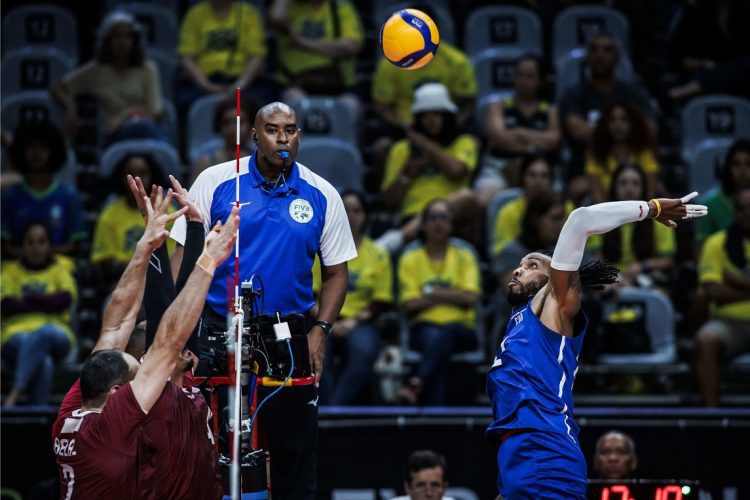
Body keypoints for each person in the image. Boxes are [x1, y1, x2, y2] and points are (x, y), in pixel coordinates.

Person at [169, 101, 356, 499]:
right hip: (216, 325)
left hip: (288, 331)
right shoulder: (216, 181)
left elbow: (337, 274)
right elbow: (182, 257)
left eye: (291, 129)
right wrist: (174, 329)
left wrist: (319, 333)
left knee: (294, 450)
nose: (283, 138)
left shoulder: (322, 193)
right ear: (254, 135)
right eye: (272, 129)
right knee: (205, 445)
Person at [486, 191, 706, 498]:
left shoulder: (554, 302)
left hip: (543, 449)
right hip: (518, 453)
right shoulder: (519, 321)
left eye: (533, 264)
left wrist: (651, 208)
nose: (519, 269)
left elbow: (580, 220)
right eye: (522, 264)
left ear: (556, 279)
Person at [52, 188, 234, 499]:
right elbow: (167, 345)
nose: (150, 372)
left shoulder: (74, 409)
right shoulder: (112, 424)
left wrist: (145, 246)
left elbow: (116, 325)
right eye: (141, 369)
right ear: (116, 394)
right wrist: (208, 261)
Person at [397, 200, 481, 406]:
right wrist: (453, 296)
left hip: (462, 329)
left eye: (444, 218)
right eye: (433, 218)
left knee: (446, 334)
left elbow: (471, 298)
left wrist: (430, 293)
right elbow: (410, 304)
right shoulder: (410, 257)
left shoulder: (465, 256)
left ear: (452, 225)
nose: (438, 223)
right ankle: (425, 393)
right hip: (423, 328)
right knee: (438, 342)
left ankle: (418, 382)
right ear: (423, 225)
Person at [314, 190, 394, 405]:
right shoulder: (319, 249)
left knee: (363, 351)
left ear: (365, 216)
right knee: (317, 352)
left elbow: (381, 302)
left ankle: (335, 411)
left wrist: (353, 322)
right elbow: (310, 296)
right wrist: (327, 322)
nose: (350, 215)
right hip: (324, 320)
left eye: (356, 211)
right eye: (346, 210)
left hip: (360, 323)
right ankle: (326, 411)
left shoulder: (378, 253)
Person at [379, 83, 481, 251]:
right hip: (412, 217)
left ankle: (396, 239)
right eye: (424, 115)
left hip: (453, 219)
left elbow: (457, 172)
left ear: (447, 117)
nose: (430, 120)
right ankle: (405, 234)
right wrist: (407, 172)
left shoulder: (464, 143)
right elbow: (389, 202)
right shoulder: (401, 149)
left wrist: (424, 143)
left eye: (436, 114)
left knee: (468, 197)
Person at [558, 32, 657, 201]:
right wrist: (622, 131)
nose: (600, 55)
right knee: (576, 190)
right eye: (594, 50)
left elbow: (650, 131)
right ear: (587, 57)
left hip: (634, 165)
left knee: (661, 193)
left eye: (607, 50)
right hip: (586, 166)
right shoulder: (574, 94)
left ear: (617, 57)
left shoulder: (633, 93)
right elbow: (577, 131)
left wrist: (602, 132)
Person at [51, 11, 167, 146]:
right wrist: (71, 107)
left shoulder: (147, 68)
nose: (122, 42)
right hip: (115, 135)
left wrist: (125, 115)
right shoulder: (96, 70)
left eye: (128, 36)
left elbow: (156, 113)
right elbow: (59, 87)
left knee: (144, 129)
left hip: (147, 129)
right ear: (107, 40)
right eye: (116, 36)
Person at [1, 223, 77, 406]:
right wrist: (45, 301)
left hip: (57, 332)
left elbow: (65, 300)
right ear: (22, 246)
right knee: (44, 361)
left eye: (41, 242)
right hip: (14, 334)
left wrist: (27, 300)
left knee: (45, 332)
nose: (36, 247)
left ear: (50, 246)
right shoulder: (9, 270)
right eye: (30, 242)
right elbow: (6, 304)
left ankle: (15, 392)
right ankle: (39, 415)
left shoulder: (60, 269)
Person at [478, 55, 561, 206]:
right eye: (519, 75)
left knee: (558, 198)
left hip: (540, 169)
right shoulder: (498, 105)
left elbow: (553, 141)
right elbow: (499, 138)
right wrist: (535, 143)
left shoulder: (550, 110)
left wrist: (518, 133)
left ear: (540, 81)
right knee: (483, 198)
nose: (523, 81)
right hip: (499, 167)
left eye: (530, 76)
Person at [695, 187, 750, 407]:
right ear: (734, 212)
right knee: (706, 339)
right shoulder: (716, 243)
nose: (747, 212)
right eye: (742, 208)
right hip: (728, 323)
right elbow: (713, 291)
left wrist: (735, 281)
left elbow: (722, 290)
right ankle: (712, 413)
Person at [1, 122, 85, 259]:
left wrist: (43, 255)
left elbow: (75, 245)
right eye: (31, 147)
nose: (37, 153)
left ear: (53, 152)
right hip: (16, 271)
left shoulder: (69, 195)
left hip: (59, 269)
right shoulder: (9, 196)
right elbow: (5, 246)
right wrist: (32, 256)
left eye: (43, 147)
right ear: (21, 152)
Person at [587, 163, 676, 288]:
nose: (629, 188)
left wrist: (643, 266)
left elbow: (668, 260)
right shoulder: (598, 218)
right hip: (611, 279)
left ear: (644, 188)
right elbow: (597, 259)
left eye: (635, 183)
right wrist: (618, 279)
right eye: (623, 183)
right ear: (614, 187)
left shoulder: (660, 220)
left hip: (646, 277)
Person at [268, 0, 364, 113]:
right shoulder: (288, 8)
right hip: (293, 84)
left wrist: (302, 43)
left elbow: (352, 46)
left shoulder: (341, 7)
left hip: (338, 85)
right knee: (294, 102)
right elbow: (276, 18)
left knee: (350, 106)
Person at [91, 153, 169, 290]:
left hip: (160, 284)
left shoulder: (167, 212)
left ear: (153, 177)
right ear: (121, 178)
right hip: (121, 283)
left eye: (143, 173)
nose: (137, 178)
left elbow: (172, 259)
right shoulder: (109, 215)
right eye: (130, 174)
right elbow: (105, 260)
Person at [176, 0, 268, 116]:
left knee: (264, 105)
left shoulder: (249, 14)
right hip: (204, 82)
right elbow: (186, 57)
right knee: (185, 103)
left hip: (242, 81)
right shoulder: (195, 14)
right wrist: (208, 86)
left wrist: (240, 85)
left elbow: (257, 55)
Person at [491, 155, 573, 257]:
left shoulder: (566, 207)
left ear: (551, 180)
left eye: (544, 176)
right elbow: (501, 255)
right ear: (522, 178)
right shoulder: (508, 212)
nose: (538, 182)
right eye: (532, 175)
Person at [667, 0, 750, 100]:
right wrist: (704, 63)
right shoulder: (698, 13)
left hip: (735, 85)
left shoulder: (741, 13)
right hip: (699, 81)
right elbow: (678, 60)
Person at [586, 101, 660, 204]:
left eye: (624, 119)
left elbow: (650, 193)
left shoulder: (644, 153)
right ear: (605, 125)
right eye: (612, 120)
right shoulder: (597, 155)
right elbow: (597, 196)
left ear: (633, 124)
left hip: (640, 212)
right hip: (607, 210)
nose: (618, 125)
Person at [190, 96, 258, 184]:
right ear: (219, 127)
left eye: (240, 122)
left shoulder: (262, 162)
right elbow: (192, 197)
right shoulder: (206, 163)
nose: (233, 129)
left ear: (251, 126)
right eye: (227, 123)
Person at [695, 139, 750, 246]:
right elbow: (700, 252)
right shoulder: (710, 204)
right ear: (728, 168)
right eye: (737, 164)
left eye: (749, 164)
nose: (743, 170)